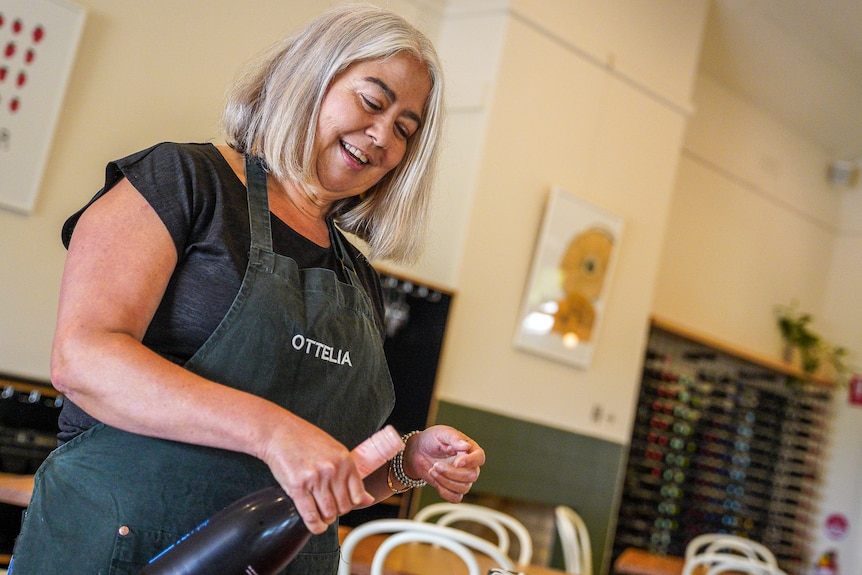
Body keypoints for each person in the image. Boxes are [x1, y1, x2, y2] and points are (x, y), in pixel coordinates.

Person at [9, 4, 485, 574]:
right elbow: (82, 360)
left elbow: (325, 482)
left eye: (404, 130)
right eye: (372, 101)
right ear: (312, 76)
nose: (382, 135)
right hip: (123, 550)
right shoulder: (183, 181)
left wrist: (407, 463)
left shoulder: (355, 276)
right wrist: (273, 432)